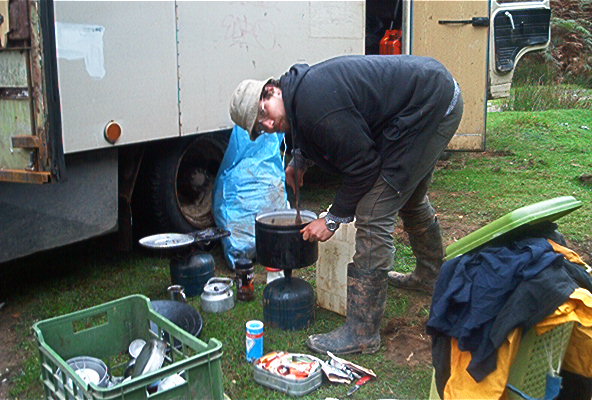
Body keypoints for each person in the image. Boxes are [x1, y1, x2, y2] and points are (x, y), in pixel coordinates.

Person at [229, 55, 463, 355]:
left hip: (432, 105)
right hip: (425, 97)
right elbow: (320, 130)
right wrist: (299, 161)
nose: (269, 124)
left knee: (374, 209)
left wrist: (332, 219)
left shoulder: (314, 101)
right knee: (410, 198)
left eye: (264, 113)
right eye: (260, 127)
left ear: (272, 90)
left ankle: (362, 332)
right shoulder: (299, 96)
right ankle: (430, 277)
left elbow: (364, 166)